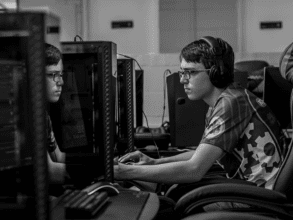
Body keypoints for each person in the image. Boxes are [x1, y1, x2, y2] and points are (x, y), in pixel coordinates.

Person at [115, 36, 286, 207]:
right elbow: (204, 153)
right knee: (175, 193)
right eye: (182, 72)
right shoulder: (224, 100)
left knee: (177, 208)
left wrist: (126, 172)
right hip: (250, 189)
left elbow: (194, 169)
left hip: (260, 199)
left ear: (215, 73)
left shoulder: (231, 103)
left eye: (191, 72)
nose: (183, 80)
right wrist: (154, 162)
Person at [45, 43, 71, 187]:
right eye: (52, 75)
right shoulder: (24, 116)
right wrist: (108, 172)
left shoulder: (43, 115)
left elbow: (58, 157)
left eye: (60, 75)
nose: (60, 82)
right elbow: (50, 172)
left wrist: (100, 162)